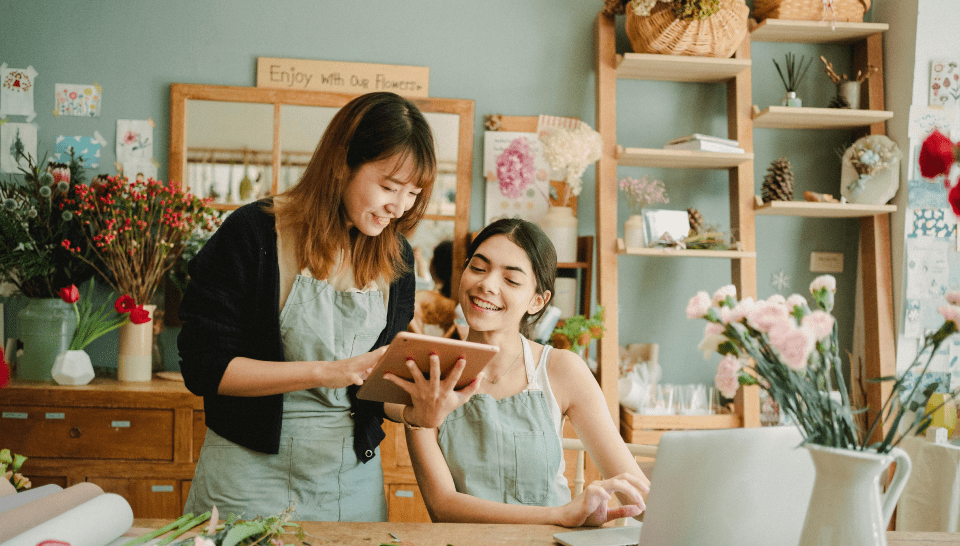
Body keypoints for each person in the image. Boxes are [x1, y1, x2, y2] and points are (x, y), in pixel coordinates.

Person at [177, 91, 479, 522]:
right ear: (341, 164)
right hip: (245, 477)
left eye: (413, 192)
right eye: (389, 186)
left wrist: (418, 406)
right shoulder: (253, 233)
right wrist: (329, 372)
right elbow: (205, 367)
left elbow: (380, 392)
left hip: (348, 480)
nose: (400, 207)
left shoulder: (397, 258)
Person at [387, 218, 650, 527]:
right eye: (479, 268)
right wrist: (561, 514)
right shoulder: (426, 371)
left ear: (537, 301)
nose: (487, 284)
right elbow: (442, 505)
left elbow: (637, 495)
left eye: (511, 280)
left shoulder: (561, 369)